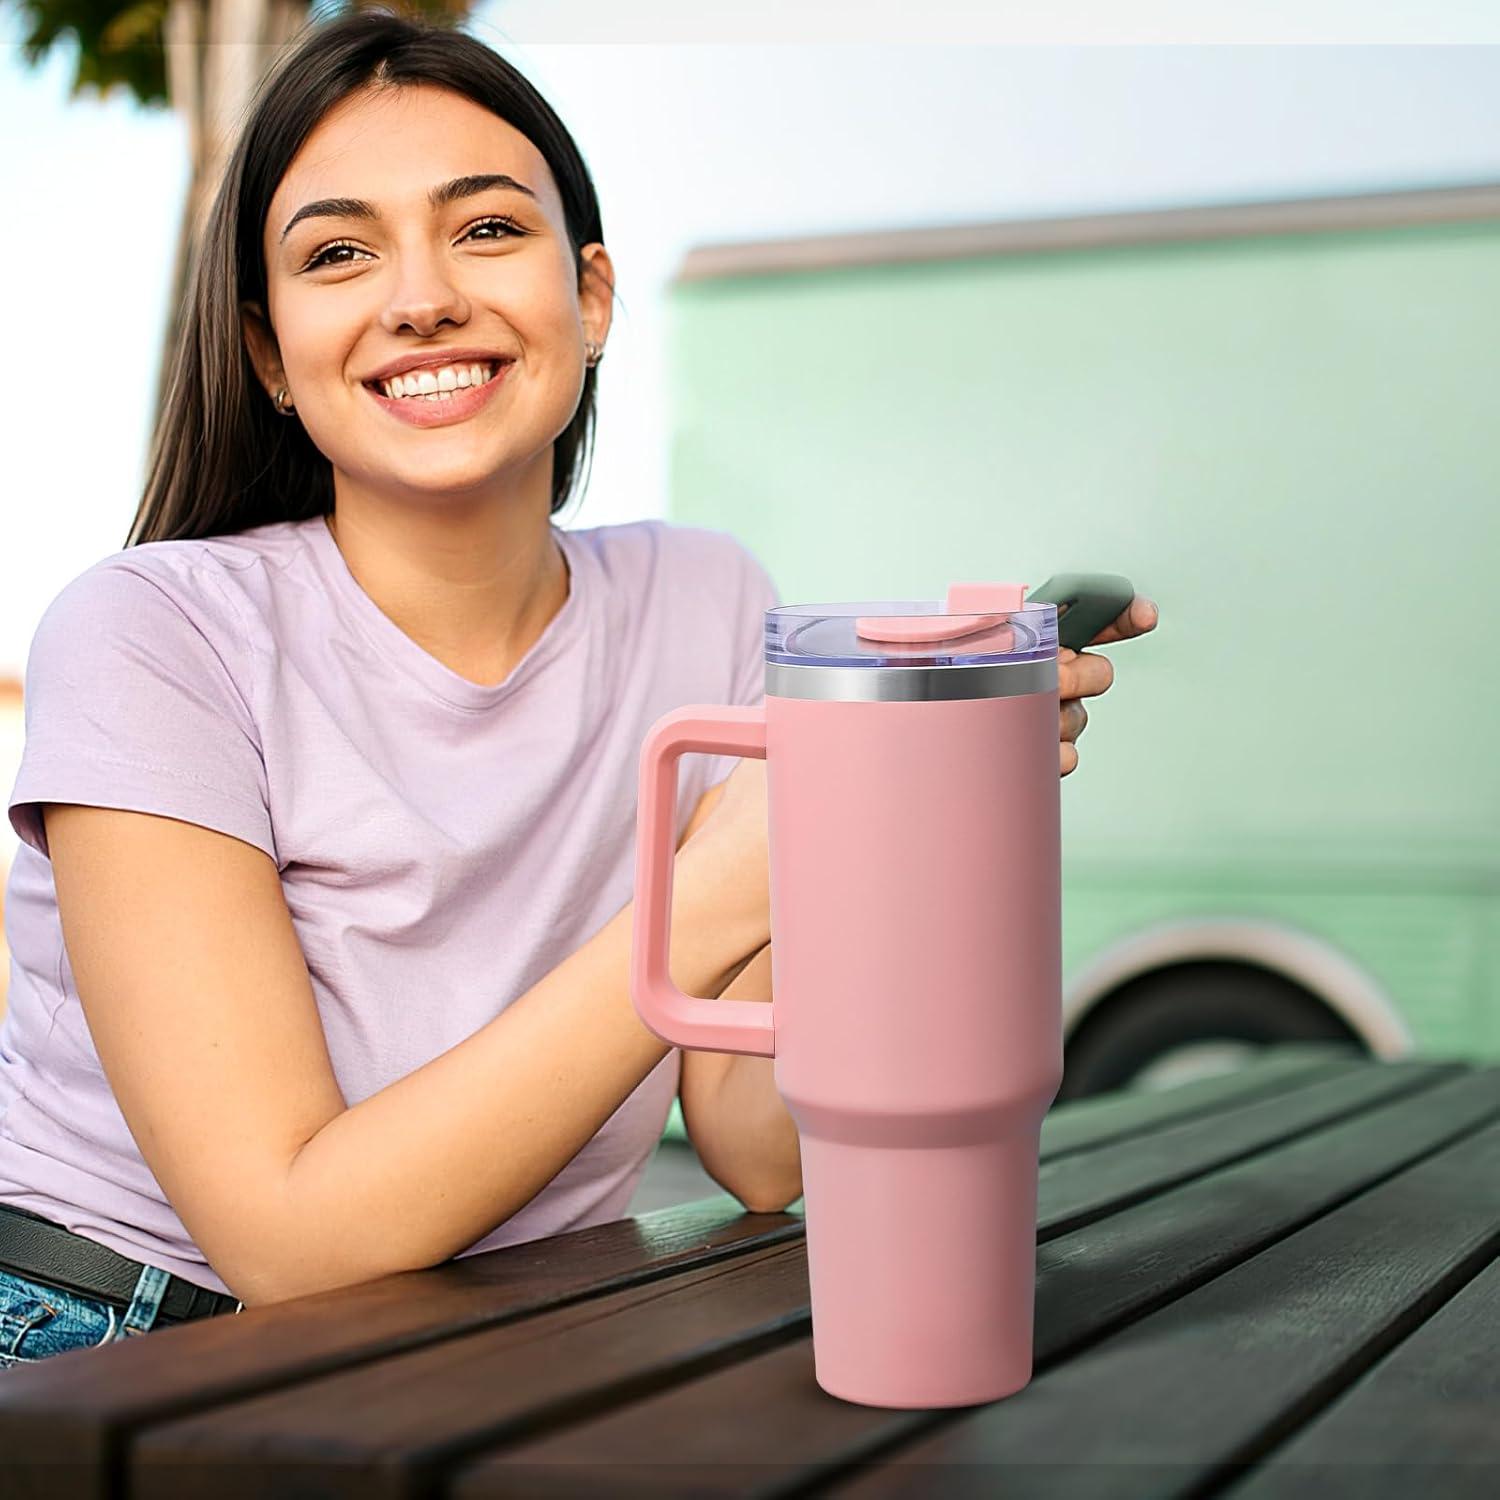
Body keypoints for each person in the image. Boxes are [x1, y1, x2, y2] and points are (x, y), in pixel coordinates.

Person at [0, 9, 1157, 1369]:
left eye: (485, 229)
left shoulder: (707, 596)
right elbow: (286, 1241)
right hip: (123, 1340)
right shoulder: (145, 634)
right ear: (269, 356)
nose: (422, 296)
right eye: (338, 253)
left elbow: (761, 1144)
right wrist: (722, 883)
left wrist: (921, 793)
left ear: (590, 297)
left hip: (495, 1331)